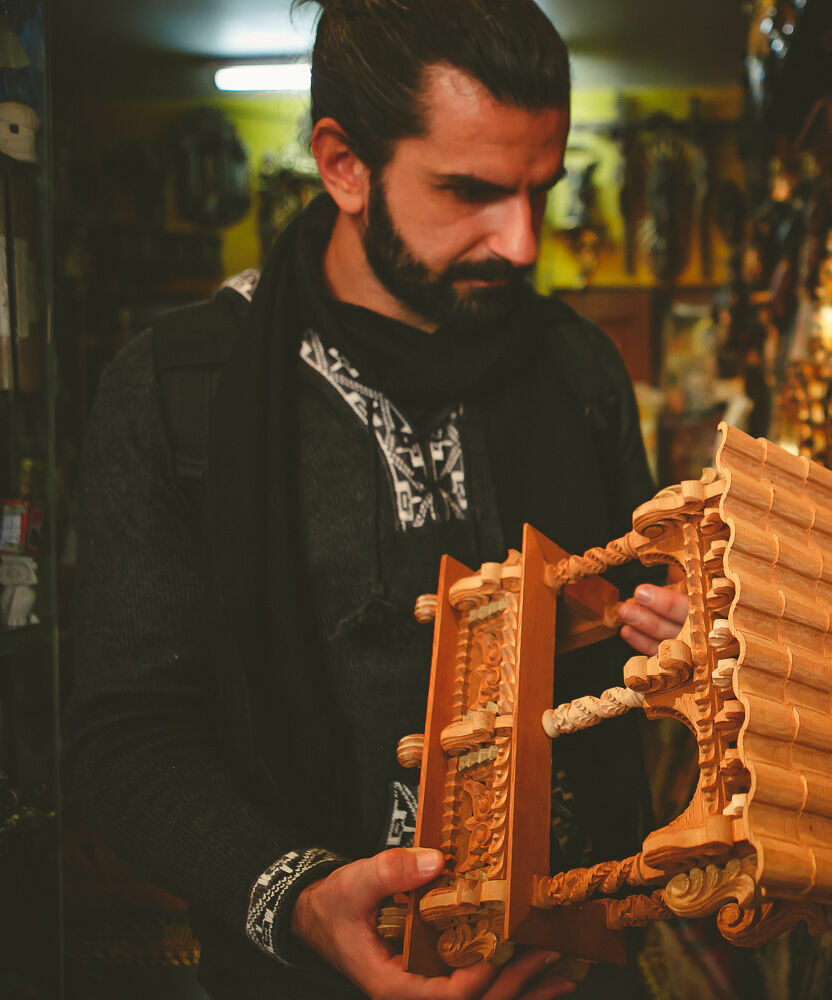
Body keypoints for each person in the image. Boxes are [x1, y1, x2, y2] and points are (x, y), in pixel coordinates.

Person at [64, 2, 688, 997]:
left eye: (540, 191)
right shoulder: (181, 391)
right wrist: (300, 898)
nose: (521, 243)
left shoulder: (575, 367)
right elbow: (123, 737)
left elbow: (641, 617)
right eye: (471, 191)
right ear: (345, 165)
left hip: (575, 971)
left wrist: (676, 634)